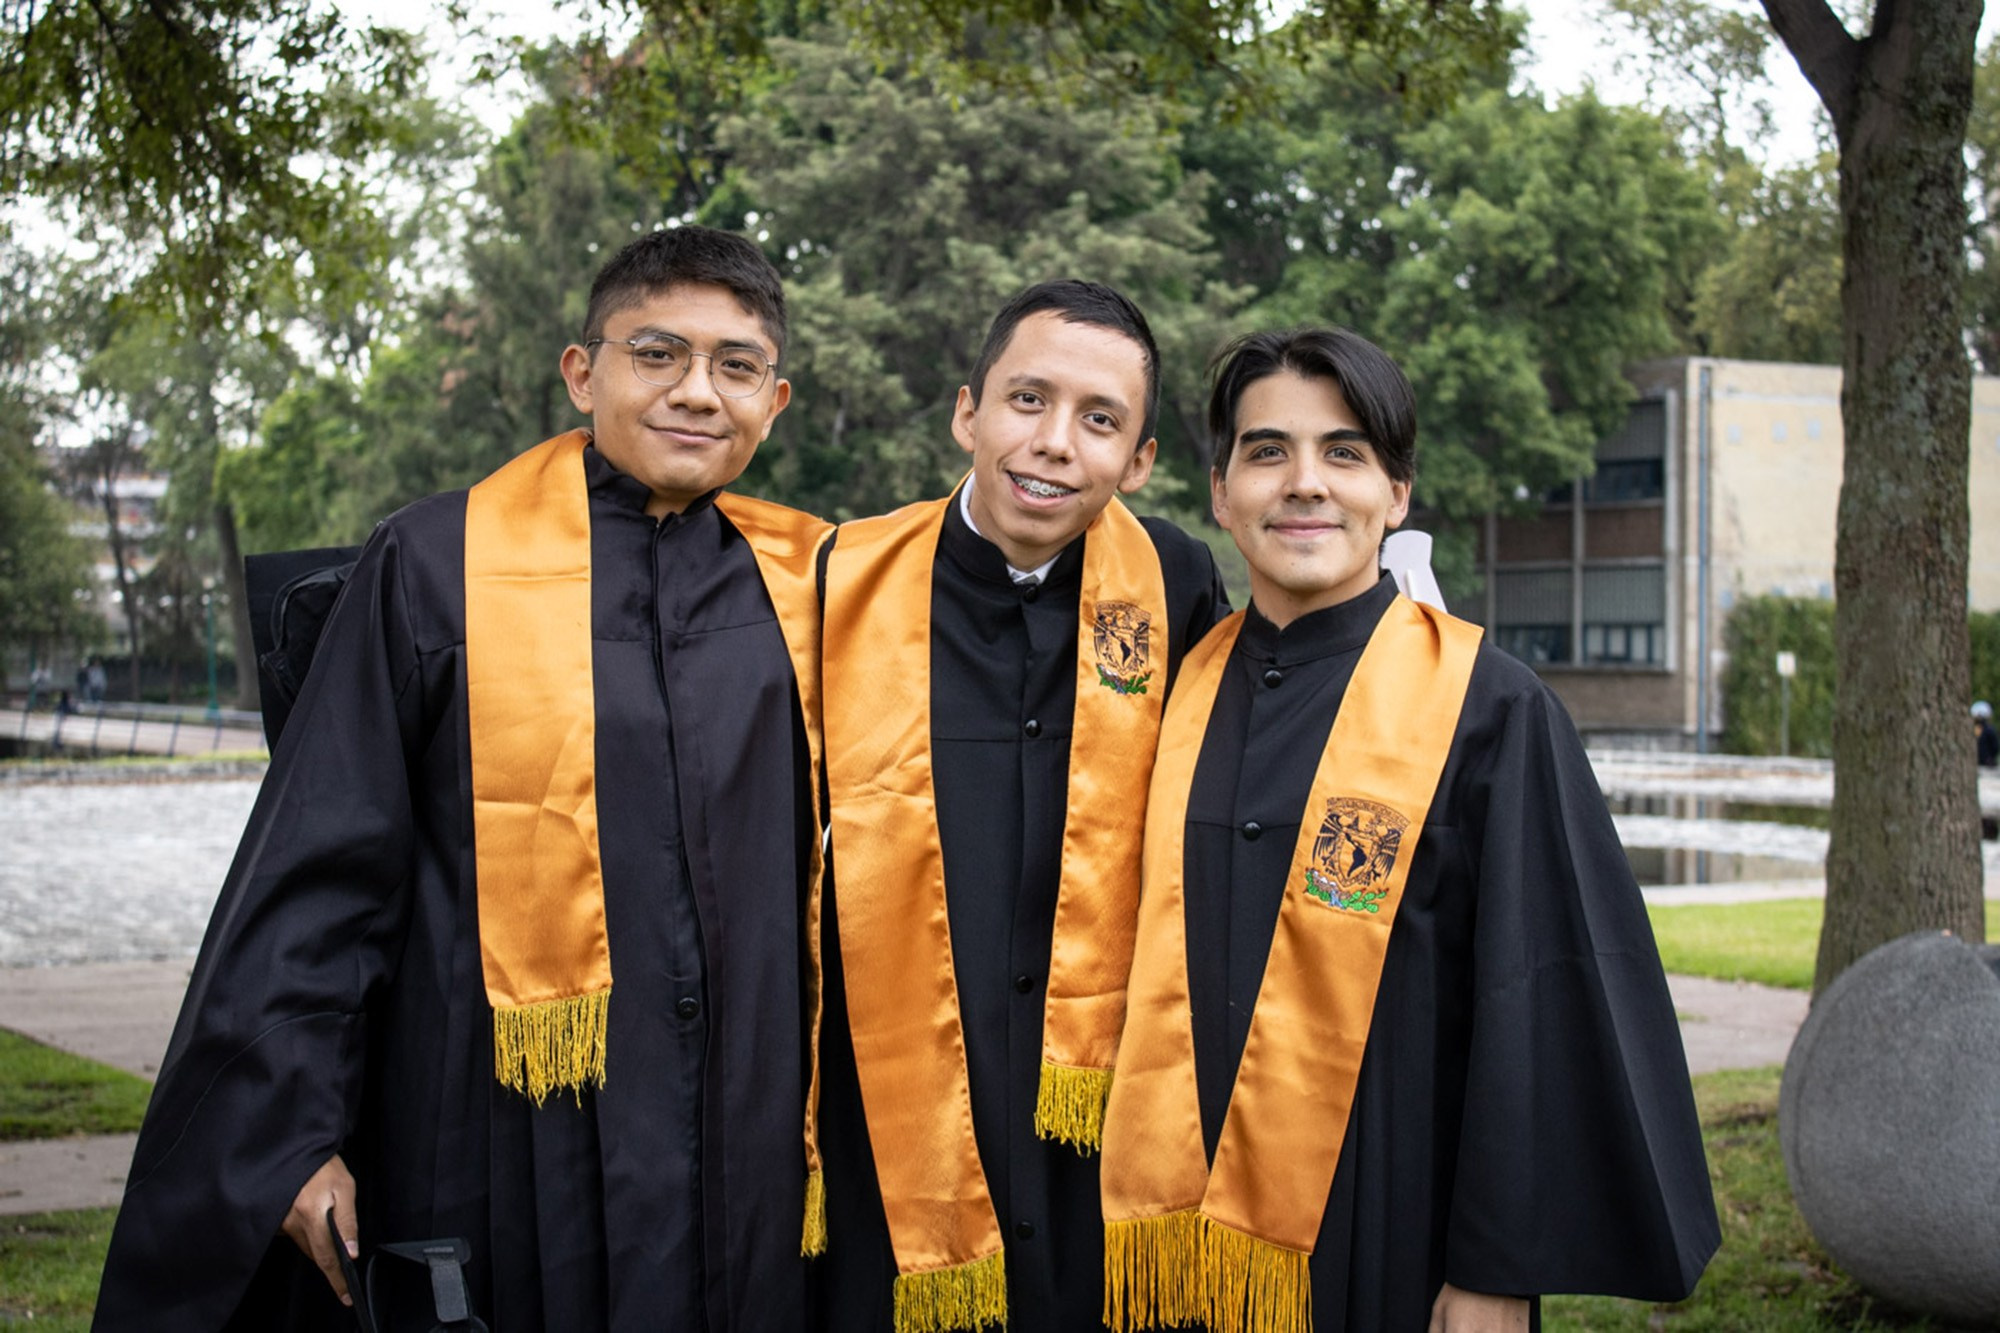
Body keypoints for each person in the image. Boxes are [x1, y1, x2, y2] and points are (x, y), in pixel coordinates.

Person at [95, 226, 831, 1333]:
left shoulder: (818, 590)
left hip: (744, 1135)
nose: (697, 392)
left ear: (773, 403)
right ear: (582, 373)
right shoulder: (436, 568)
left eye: (734, 367)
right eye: (657, 354)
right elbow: (321, 869)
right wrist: (291, 1136)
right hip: (500, 1132)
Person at [1099, 328, 1720, 1333]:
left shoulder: (1486, 707)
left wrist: (1493, 1268)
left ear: (1394, 495)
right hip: (1171, 1242)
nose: (1304, 483)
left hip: (1389, 1224)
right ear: (1219, 492)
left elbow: (1534, 996)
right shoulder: (1170, 692)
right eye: (1267, 451)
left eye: (1343, 453)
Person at [813, 281, 1230, 1332]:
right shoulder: (840, 583)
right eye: (1026, 400)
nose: (1053, 444)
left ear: (1138, 460)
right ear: (967, 412)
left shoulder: (1174, 582)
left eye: (1099, 421)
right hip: (893, 1102)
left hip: (1097, 1108)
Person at [1975, 700, 1997, 769]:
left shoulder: (1984, 729)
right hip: (1985, 763)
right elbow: (1995, 746)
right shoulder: (1988, 729)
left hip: (1984, 764)